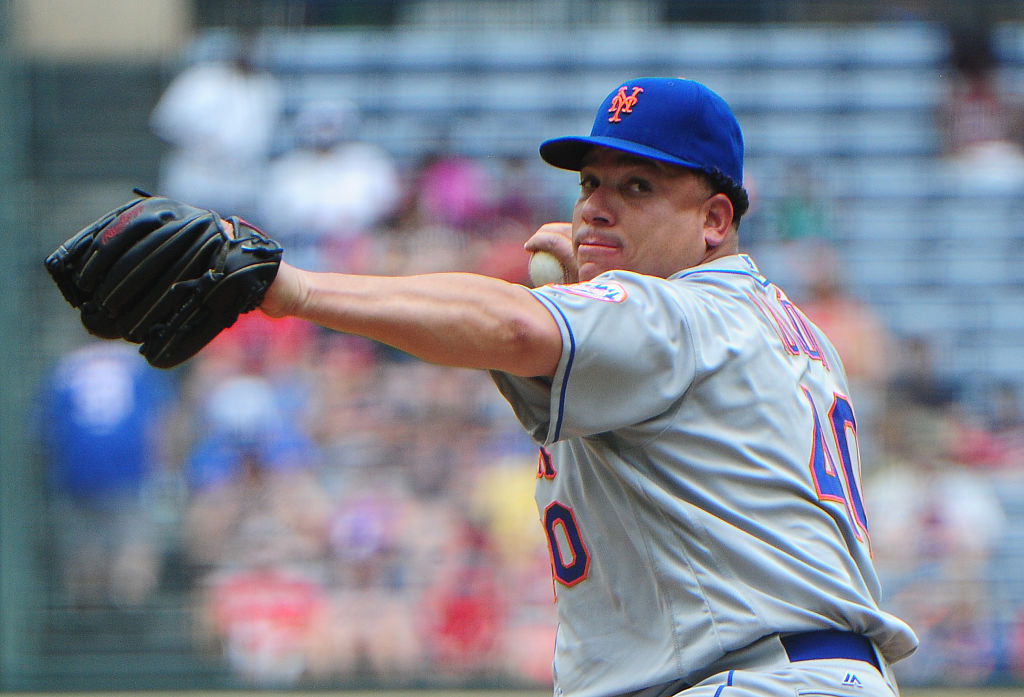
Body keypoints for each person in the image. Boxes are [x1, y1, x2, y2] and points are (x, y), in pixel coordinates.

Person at [245, 77, 917, 696]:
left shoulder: (678, 312)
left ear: (714, 220)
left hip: (746, 676)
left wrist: (291, 288)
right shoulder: (793, 331)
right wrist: (585, 301)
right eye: (590, 182)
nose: (596, 207)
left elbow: (511, 328)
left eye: (636, 188)